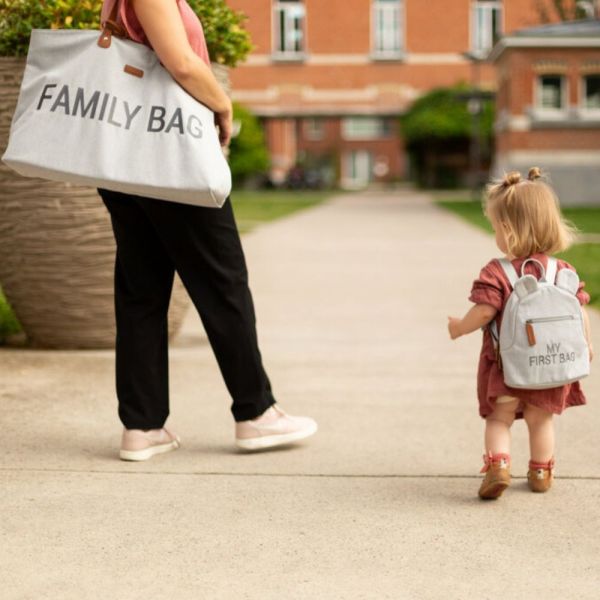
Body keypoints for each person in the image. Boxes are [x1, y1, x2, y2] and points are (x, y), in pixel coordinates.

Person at [99, 0, 317, 461]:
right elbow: (180, 62)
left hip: (123, 152)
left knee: (141, 290)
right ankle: (256, 413)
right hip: (170, 155)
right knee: (224, 283)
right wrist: (222, 105)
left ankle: (142, 425)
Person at [447, 167, 593, 499]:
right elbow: (578, 312)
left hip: (508, 369)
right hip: (550, 366)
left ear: (509, 230)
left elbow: (484, 311)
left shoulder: (497, 272)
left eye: (495, 226)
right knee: (541, 421)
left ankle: (498, 465)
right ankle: (541, 471)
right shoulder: (562, 271)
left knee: (499, 419)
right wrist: (586, 344)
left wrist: (459, 328)